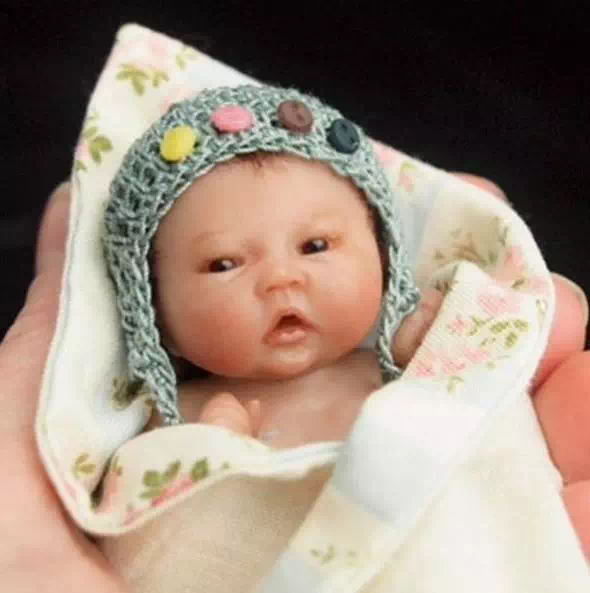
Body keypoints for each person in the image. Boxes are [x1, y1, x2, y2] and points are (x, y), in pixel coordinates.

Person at [2, 172, 588, 591]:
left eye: (315, 246)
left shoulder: (390, 361)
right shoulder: (177, 406)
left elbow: (464, 391)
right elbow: (142, 508)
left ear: (383, 261)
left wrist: (438, 339)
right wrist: (205, 450)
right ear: (155, 313)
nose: (281, 278)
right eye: (224, 263)